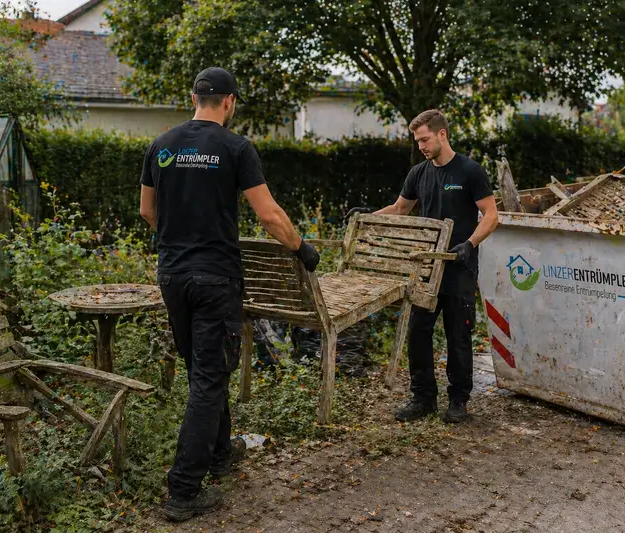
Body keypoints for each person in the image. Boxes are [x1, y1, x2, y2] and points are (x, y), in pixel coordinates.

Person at [139, 67, 320, 522]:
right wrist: (302, 248)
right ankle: (183, 491)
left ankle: (220, 453)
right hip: (215, 278)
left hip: (173, 275)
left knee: (202, 370)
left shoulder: (160, 145)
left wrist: (181, 239)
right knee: (209, 378)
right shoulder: (235, 148)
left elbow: (146, 211)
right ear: (231, 102)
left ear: (194, 97)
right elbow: (270, 217)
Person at [346, 109, 498, 424]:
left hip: (459, 267)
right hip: (426, 270)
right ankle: (423, 398)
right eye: (418, 141)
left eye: (425, 139)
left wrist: (469, 244)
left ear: (442, 134)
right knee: (418, 331)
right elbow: (401, 208)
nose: (421, 147)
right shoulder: (419, 173)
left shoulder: (470, 171)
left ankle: (458, 401)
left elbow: (491, 216)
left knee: (458, 335)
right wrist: (367, 218)